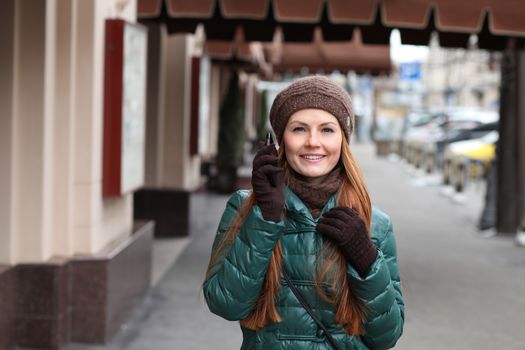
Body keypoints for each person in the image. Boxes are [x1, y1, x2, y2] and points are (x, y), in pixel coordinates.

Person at [203, 76, 404, 350]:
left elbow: (386, 336)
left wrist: (366, 259)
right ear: (280, 138)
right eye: (299, 129)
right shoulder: (246, 207)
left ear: (343, 140)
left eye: (327, 130)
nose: (313, 142)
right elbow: (225, 303)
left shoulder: (374, 223)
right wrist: (265, 218)